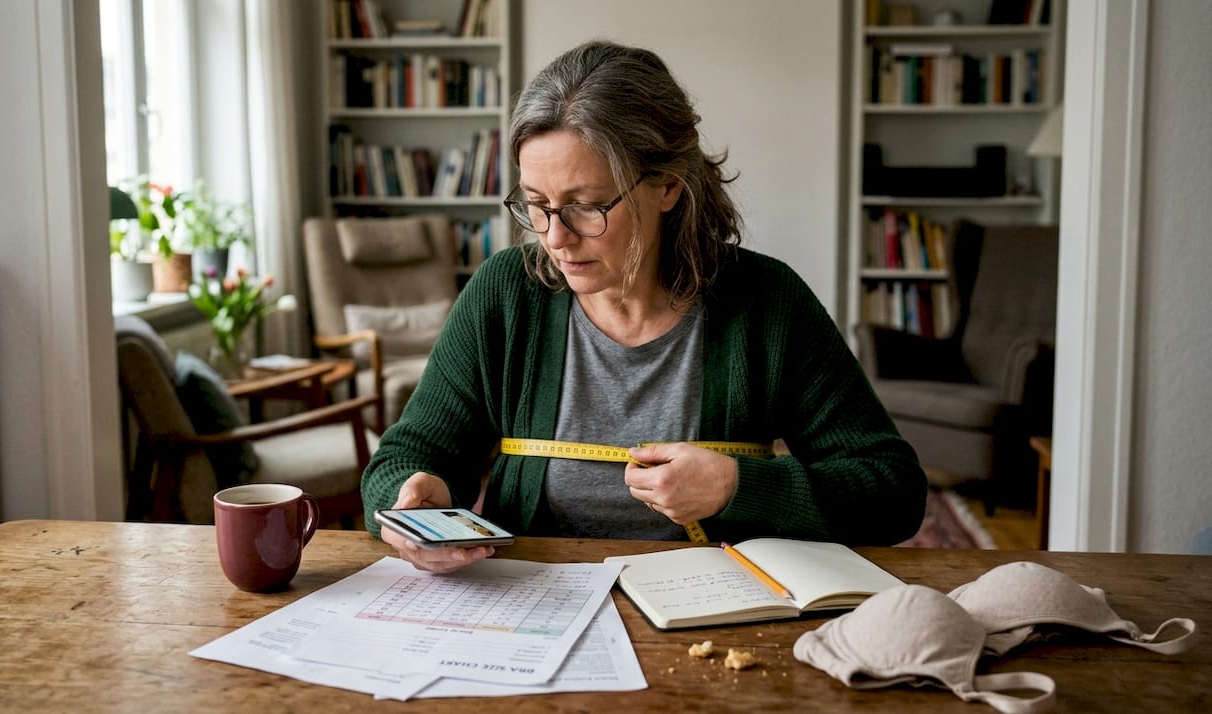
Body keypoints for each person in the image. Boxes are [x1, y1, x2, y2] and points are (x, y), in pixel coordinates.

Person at [363, 40, 926, 573]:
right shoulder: (507, 296)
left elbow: (893, 492)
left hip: (721, 616)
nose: (554, 237)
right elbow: (401, 460)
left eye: (586, 206)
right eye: (536, 205)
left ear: (668, 187)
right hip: (532, 609)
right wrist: (413, 498)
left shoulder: (767, 303)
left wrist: (739, 487)